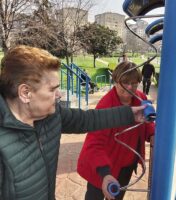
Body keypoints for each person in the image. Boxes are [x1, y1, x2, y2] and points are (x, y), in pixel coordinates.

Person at [0, 45, 147, 200]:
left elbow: (88, 119)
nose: (59, 94)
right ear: (25, 93)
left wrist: (130, 114)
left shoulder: (52, 114)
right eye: (52, 89)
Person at [77, 61, 155, 200]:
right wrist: (105, 173)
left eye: (134, 82)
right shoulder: (106, 105)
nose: (130, 87)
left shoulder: (140, 98)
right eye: (125, 82)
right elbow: (94, 144)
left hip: (126, 164)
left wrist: (152, 133)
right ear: (115, 81)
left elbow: (148, 122)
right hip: (102, 167)